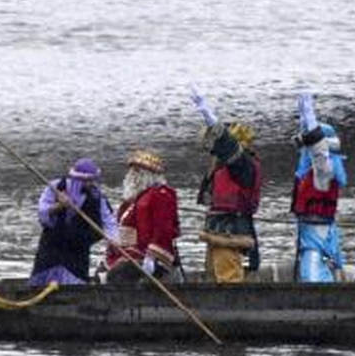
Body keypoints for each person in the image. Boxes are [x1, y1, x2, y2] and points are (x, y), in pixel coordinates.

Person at [29, 158, 118, 287]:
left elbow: (108, 220)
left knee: (75, 283)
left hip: (78, 248)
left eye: (92, 180)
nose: (91, 183)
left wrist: (114, 240)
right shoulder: (56, 187)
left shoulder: (96, 196)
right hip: (52, 246)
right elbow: (42, 213)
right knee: (42, 283)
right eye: (87, 181)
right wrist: (59, 206)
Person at [291, 94, 349, 283]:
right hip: (314, 232)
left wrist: (309, 114)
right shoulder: (313, 173)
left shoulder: (323, 174)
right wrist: (303, 116)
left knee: (311, 277)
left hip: (317, 237)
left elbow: (319, 152)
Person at [197, 121, 263, 283]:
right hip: (217, 225)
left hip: (231, 229)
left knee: (228, 276)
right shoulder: (222, 166)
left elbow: (231, 151)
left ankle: (231, 304)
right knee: (214, 272)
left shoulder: (243, 165)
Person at [103, 150, 181, 283]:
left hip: (146, 255)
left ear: (147, 175)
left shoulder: (160, 195)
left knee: (120, 273)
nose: (130, 176)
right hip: (129, 253)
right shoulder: (133, 199)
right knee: (106, 270)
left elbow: (163, 228)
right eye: (132, 172)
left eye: (136, 172)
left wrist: (151, 257)